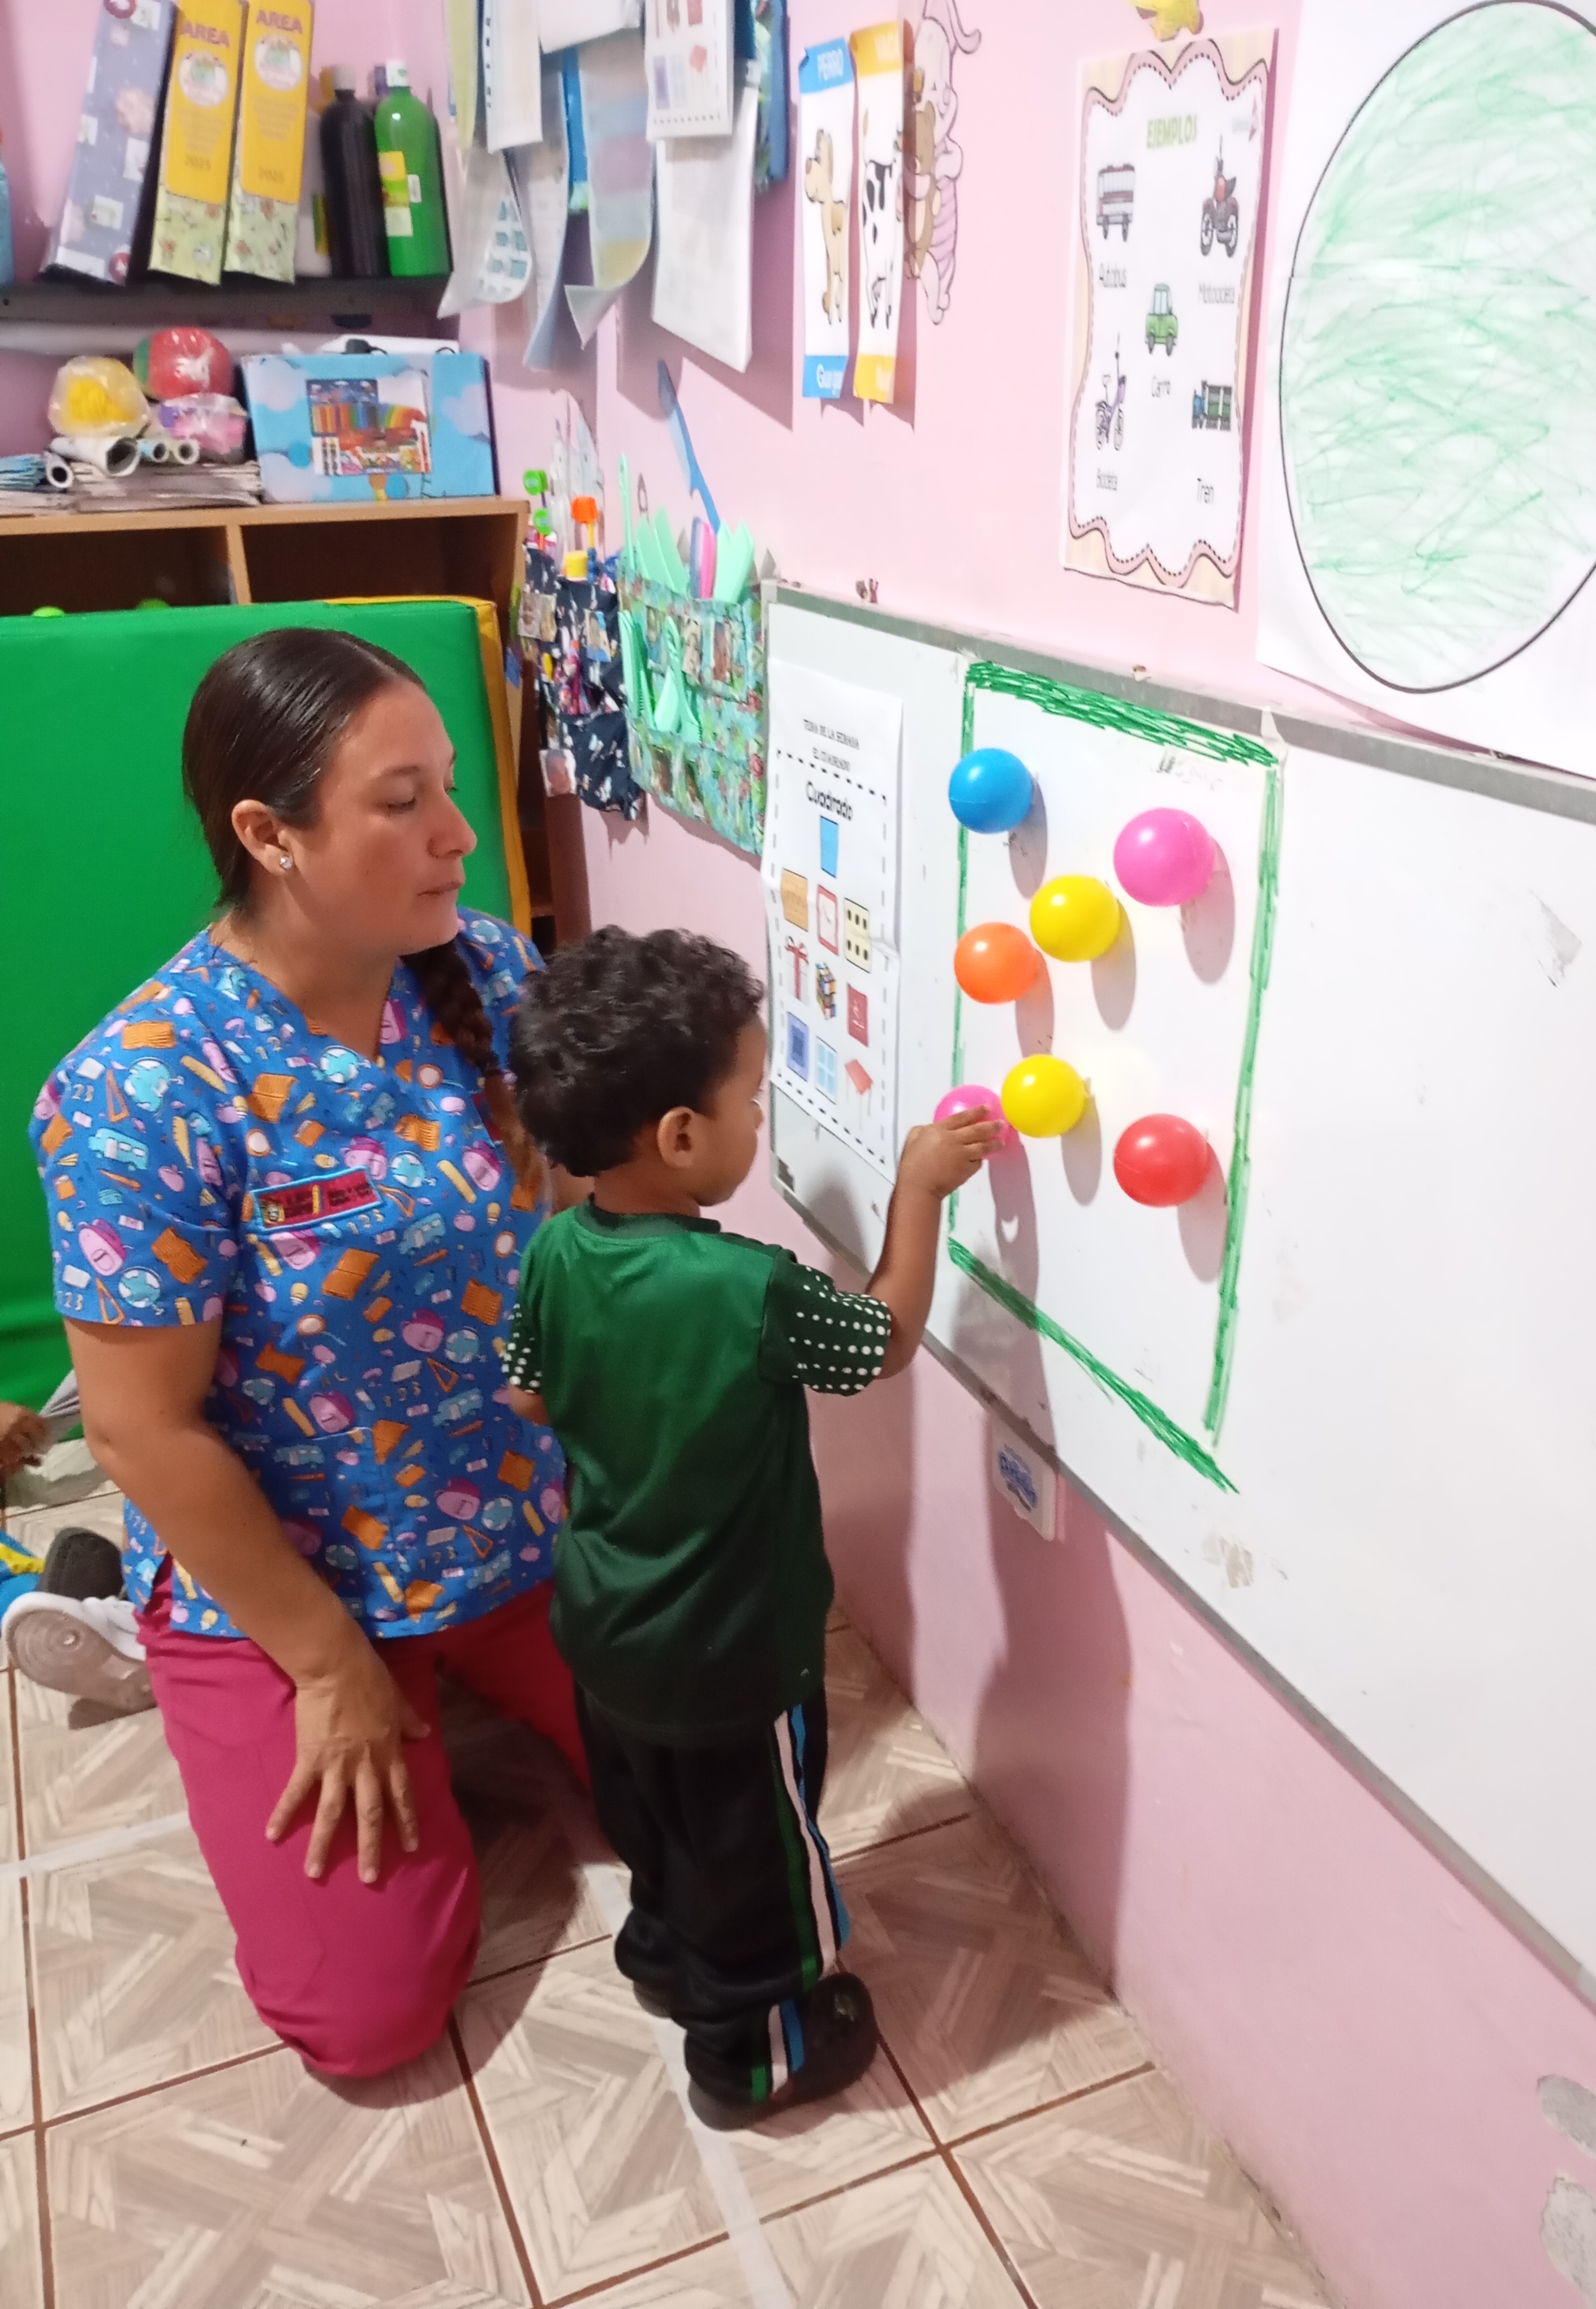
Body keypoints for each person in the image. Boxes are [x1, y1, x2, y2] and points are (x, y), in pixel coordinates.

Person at [29, 627, 588, 2079]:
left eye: (449, 786)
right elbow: (140, 1429)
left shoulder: (483, 969)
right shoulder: (143, 1091)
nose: (459, 834)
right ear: (270, 835)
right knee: (365, 2018)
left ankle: (460, 1682)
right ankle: (186, 1654)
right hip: (295, 1578)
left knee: (728, 1776)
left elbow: (576, 1216)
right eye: (403, 802)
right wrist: (330, 1662)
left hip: (516, 1519)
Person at [502, 926, 999, 2125]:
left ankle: (663, 1957)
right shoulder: (746, 1289)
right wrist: (919, 1191)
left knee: (657, 1817)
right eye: (752, 1098)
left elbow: (528, 1396)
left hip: (605, 1628)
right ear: (680, 1136)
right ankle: (754, 2056)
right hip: (729, 1654)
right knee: (759, 1862)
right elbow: (880, 1343)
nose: (762, 1118)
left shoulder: (555, 1250)